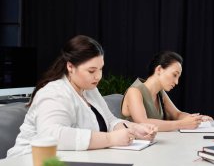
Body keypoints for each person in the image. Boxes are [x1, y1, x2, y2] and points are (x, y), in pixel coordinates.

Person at [7, 35, 157, 157]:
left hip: (71, 161)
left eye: (100, 69)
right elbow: (51, 135)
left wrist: (135, 129)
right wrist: (110, 139)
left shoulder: (89, 89)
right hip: (29, 164)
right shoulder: (54, 93)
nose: (98, 76)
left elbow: (110, 121)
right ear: (70, 67)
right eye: (91, 71)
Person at [121, 51, 213, 131]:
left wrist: (197, 119)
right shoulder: (134, 91)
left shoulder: (160, 92)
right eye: (174, 75)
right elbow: (143, 122)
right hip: (135, 147)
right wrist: (182, 124)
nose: (176, 82)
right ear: (159, 69)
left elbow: (176, 114)